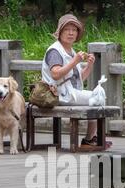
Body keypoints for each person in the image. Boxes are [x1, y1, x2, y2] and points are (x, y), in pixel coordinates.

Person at [42, 14, 111, 149]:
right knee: (97, 97)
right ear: (60, 32)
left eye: (74, 30)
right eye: (67, 29)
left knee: (98, 98)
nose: (71, 33)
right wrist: (75, 62)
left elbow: (79, 79)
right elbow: (55, 74)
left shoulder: (71, 51)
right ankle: (90, 139)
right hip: (59, 94)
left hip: (70, 91)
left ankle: (91, 138)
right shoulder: (55, 51)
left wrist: (89, 65)